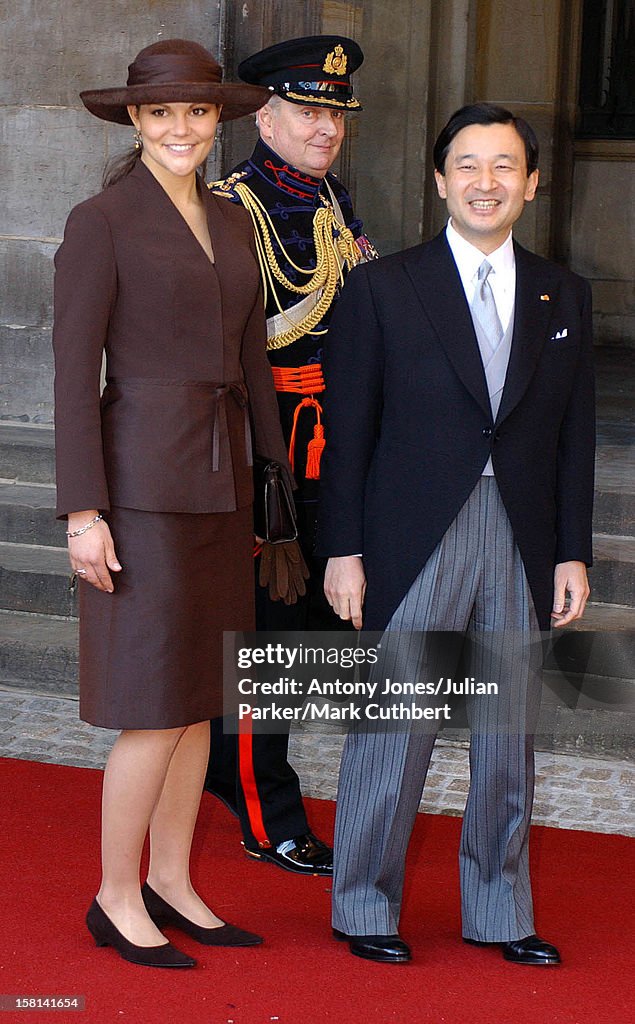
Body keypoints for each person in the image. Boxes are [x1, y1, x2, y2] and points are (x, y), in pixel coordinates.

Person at [317, 103, 595, 964]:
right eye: (467, 165)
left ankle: (500, 912)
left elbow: (572, 433)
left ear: (531, 183)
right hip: (413, 533)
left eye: (504, 166)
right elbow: (346, 431)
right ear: (439, 180)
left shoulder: (562, 292)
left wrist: (572, 549)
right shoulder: (381, 287)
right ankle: (363, 905)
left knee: (505, 737)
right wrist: (342, 548)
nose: (486, 182)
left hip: (520, 533)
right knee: (396, 732)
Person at [53, 39, 291, 969]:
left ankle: (173, 879)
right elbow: (74, 377)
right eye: (162, 113)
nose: (181, 128)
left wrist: (269, 483)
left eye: (196, 112)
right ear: (136, 121)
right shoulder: (100, 220)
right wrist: (84, 510)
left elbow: (252, 363)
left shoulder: (235, 222)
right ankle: (115, 897)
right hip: (141, 489)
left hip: (223, 480)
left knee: (201, 702)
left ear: (217, 120)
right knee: (154, 704)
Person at [204, 36, 377, 874]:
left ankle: (216, 761)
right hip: (266, 462)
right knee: (267, 645)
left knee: (304, 635)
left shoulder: (330, 200)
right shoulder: (231, 209)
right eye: (308, 111)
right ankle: (266, 814)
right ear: (263, 115)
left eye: (335, 114)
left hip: (331, 456)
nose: (325, 128)